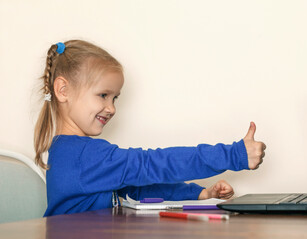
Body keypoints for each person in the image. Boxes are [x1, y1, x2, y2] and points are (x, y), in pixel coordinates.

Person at [34, 40, 266, 216]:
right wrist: (234, 154)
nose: (111, 108)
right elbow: (153, 164)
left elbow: (136, 189)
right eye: (103, 95)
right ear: (63, 90)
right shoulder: (83, 155)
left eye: (114, 98)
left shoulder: (72, 151)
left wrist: (199, 193)